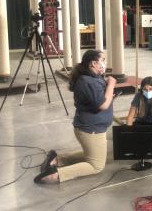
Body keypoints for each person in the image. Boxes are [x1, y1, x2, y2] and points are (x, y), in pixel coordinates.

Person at [34, 50, 117, 184]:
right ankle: (56, 175)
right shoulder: (89, 81)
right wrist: (111, 85)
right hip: (91, 130)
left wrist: (107, 92)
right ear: (93, 63)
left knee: (93, 155)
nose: (105, 63)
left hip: (90, 127)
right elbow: (103, 105)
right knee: (96, 166)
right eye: (103, 60)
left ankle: (57, 160)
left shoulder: (91, 77)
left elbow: (98, 99)